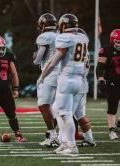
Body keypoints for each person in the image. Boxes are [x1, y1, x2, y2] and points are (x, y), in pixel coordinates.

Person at [38, 14, 89, 154]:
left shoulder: (64, 38)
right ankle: (65, 142)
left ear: (64, 25)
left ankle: (71, 146)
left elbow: (54, 61)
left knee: (64, 114)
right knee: (57, 110)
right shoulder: (83, 38)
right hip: (79, 79)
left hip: (67, 79)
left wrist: (43, 76)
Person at [33, 13, 59, 147]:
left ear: (43, 24)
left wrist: (35, 55)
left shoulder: (44, 37)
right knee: (57, 107)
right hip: (63, 73)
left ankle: (53, 135)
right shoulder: (60, 34)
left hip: (49, 73)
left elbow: (38, 60)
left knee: (43, 104)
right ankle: (58, 135)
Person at [96, 29, 120, 140]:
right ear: (112, 41)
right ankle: (112, 130)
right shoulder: (106, 50)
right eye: (118, 42)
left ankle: (118, 125)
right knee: (112, 107)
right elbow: (100, 67)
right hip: (112, 82)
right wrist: (100, 79)